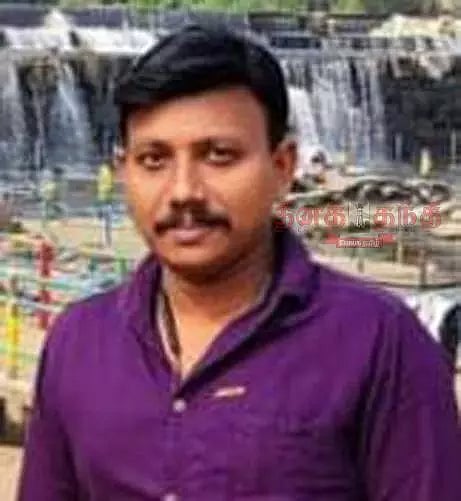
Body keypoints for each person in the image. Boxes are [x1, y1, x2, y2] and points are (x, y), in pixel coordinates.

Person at [18, 25, 461, 500]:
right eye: (154, 159)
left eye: (218, 156)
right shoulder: (79, 341)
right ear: (123, 171)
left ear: (283, 167)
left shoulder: (381, 343)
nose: (184, 191)